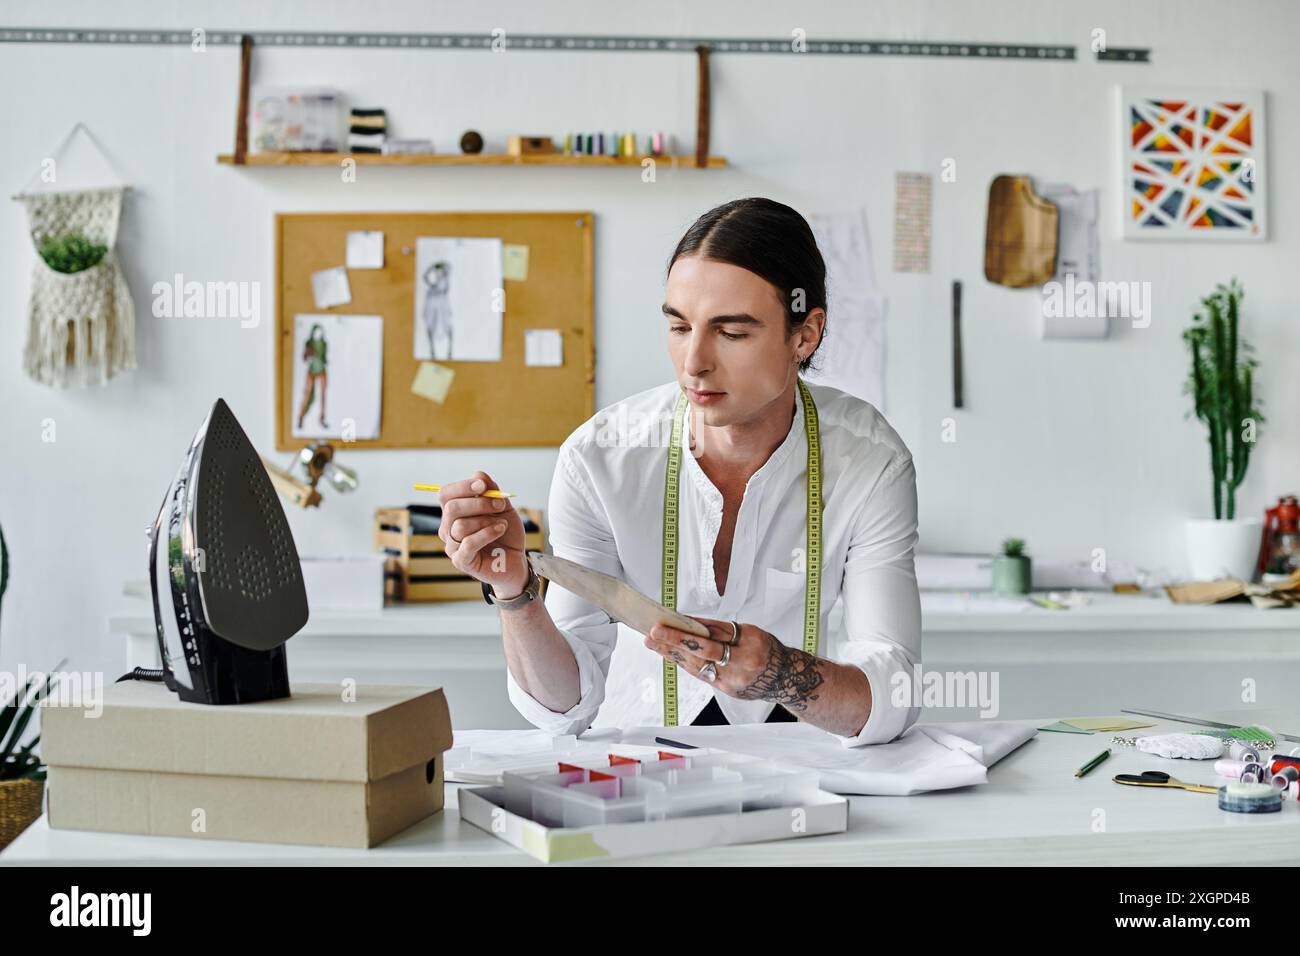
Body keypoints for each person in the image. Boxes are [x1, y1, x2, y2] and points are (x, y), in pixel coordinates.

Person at [437, 197, 921, 745]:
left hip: (805, 759)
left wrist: (784, 674)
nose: (694, 362)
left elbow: (895, 690)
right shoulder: (599, 460)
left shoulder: (869, 461)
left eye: (731, 333)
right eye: (679, 326)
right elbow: (563, 710)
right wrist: (515, 591)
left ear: (804, 335)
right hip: (640, 768)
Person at [297, 323, 328, 430]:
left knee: (323, 395)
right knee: (307, 394)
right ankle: (301, 416)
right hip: (312, 371)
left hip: (322, 370)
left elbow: (324, 358)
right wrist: (310, 353)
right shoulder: (308, 343)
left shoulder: (324, 343)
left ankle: (322, 418)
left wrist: (322, 359)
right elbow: (304, 357)